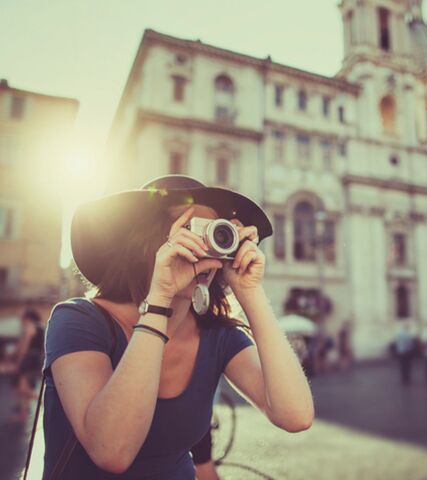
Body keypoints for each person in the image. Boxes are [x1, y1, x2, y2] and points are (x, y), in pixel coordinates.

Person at [40, 175, 314, 479]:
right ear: (148, 244)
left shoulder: (217, 336)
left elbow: (296, 415)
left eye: (215, 234)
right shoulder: (78, 320)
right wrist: (161, 298)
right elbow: (112, 451)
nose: (204, 246)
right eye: (189, 231)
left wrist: (250, 292)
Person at [9, 307, 45, 422]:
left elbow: (25, 345)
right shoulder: (40, 326)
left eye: (22, 317)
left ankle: (45, 401)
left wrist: (19, 361)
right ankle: (23, 414)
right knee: (24, 387)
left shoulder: (30, 326)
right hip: (36, 360)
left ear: (27, 317)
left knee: (22, 389)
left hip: (29, 360)